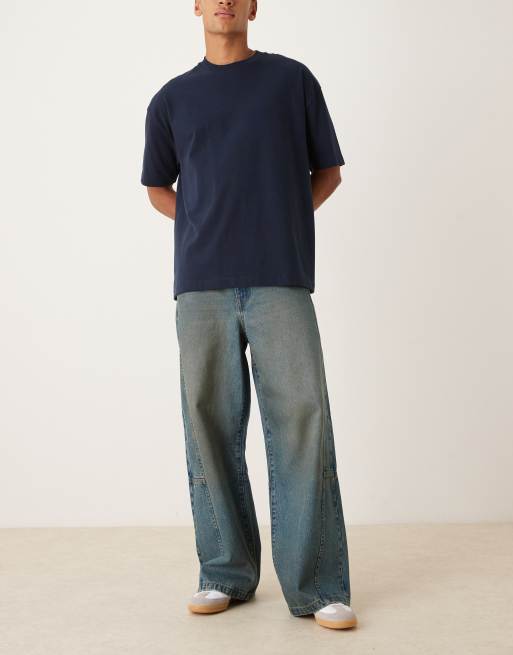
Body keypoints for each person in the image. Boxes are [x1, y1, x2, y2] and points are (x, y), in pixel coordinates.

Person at [140, 0, 357, 630]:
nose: (225, 1)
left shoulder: (292, 81)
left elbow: (329, 171)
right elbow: (157, 186)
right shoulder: (171, 99)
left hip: (280, 277)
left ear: (254, 6)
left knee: (302, 421)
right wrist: (205, 225)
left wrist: (279, 219)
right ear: (197, 6)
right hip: (201, 286)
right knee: (207, 422)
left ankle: (318, 586)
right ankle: (224, 573)